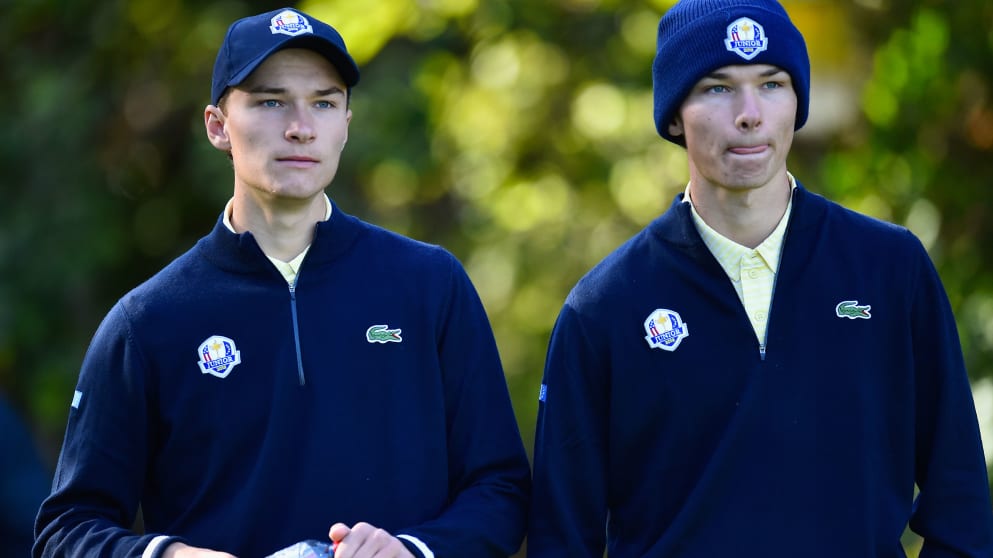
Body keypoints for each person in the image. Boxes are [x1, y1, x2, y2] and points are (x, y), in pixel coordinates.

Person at [34, 7, 530, 558]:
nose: (300, 125)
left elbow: (502, 491)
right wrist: (173, 556)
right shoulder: (148, 321)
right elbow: (68, 529)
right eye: (271, 101)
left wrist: (414, 549)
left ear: (346, 122)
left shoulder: (430, 286)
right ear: (218, 126)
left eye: (324, 102)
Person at [528, 0, 993, 556]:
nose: (749, 113)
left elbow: (960, 497)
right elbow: (562, 537)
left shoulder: (889, 269)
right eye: (717, 88)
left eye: (771, 84)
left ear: (797, 101)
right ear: (675, 114)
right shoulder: (604, 308)